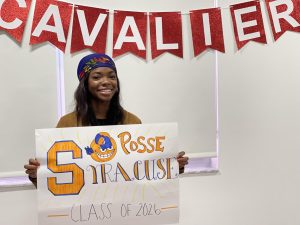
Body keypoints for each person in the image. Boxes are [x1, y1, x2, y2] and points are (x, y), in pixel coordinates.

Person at [24, 53, 189, 188]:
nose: (106, 82)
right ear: (85, 84)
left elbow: (143, 170)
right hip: (84, 211)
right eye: (96, 77)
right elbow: (57, 177)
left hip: (123, 209)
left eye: (112, 76)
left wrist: (173, 167)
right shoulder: (67, 123)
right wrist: (37, 176)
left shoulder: (132, 121)